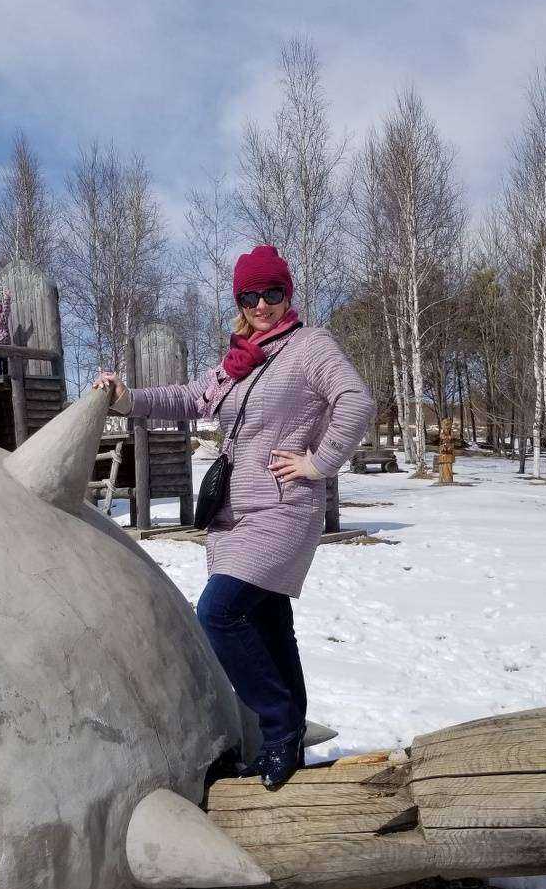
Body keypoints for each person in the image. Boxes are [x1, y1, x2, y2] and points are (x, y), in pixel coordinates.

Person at [92, 245, 375, 788]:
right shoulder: (239, 358)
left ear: (288, 293)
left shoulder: (309, 347)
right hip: (235, 512)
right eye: (252, 295)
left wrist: (318, 462)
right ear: (239, 300)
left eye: (274, 292)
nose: (264, 304)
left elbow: (355, 401)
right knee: (268, 621)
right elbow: (191, 398)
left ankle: (278, 728)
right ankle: (286, 735)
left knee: (219, 614)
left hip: (284, 509)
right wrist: (128, 401)